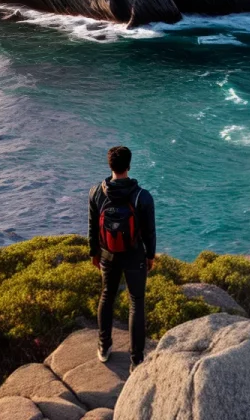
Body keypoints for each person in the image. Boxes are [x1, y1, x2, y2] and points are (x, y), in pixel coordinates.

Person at [88, 145, 156, 372]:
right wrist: (150, 256)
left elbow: (92, 227)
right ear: (129, 165)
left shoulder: (96, 192)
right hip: (134, 255)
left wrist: (94, 253)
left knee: (107, 296)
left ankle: (103, 346)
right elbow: (149, 231)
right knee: (136, 302)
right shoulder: (141, 196)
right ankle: (136, 359)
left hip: (107, 254)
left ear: (110, 166)